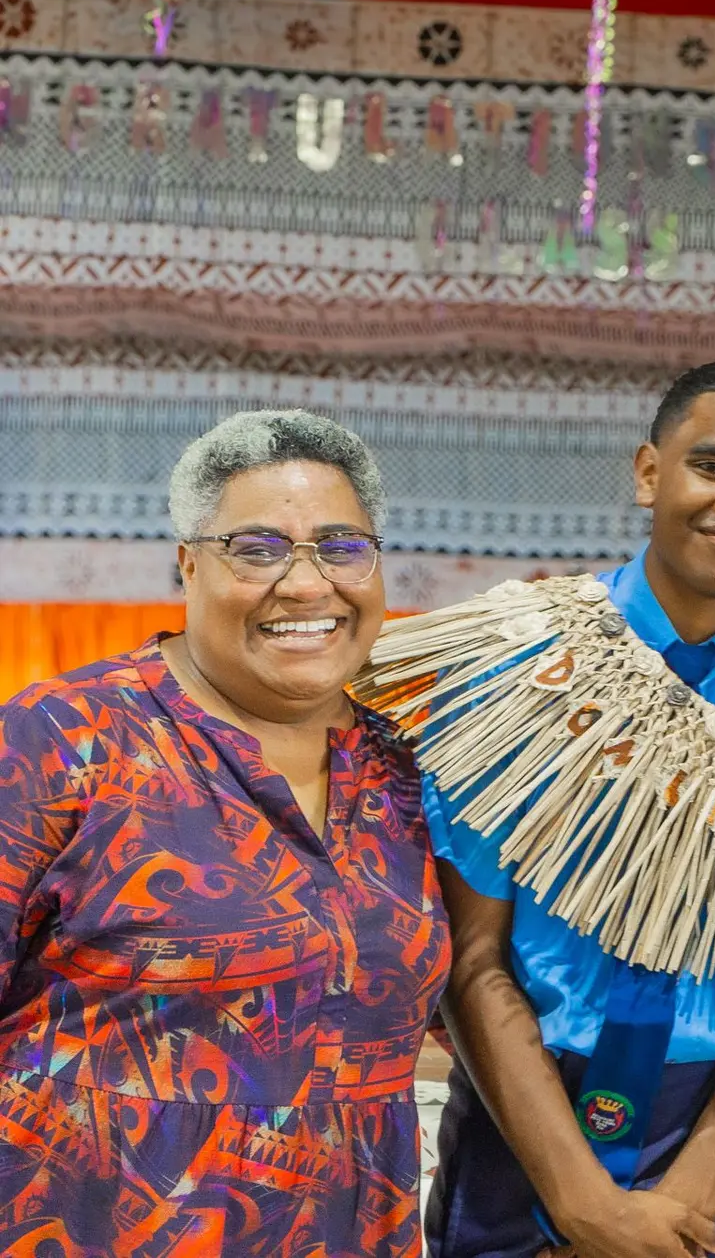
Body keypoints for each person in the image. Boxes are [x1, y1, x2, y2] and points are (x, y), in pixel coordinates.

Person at [370, 359, 715, 1258]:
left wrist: (692, 1195)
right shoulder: (522, 668)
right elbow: (477, 958)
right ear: (649, 472)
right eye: (713, 465)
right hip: (523, 1133)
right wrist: (583, 1203)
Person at [0, 410, 451, 1254]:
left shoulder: (413, 775)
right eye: (259, 549)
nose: (309, 584)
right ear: (188, 564)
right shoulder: (60, 740)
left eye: (342, 547)